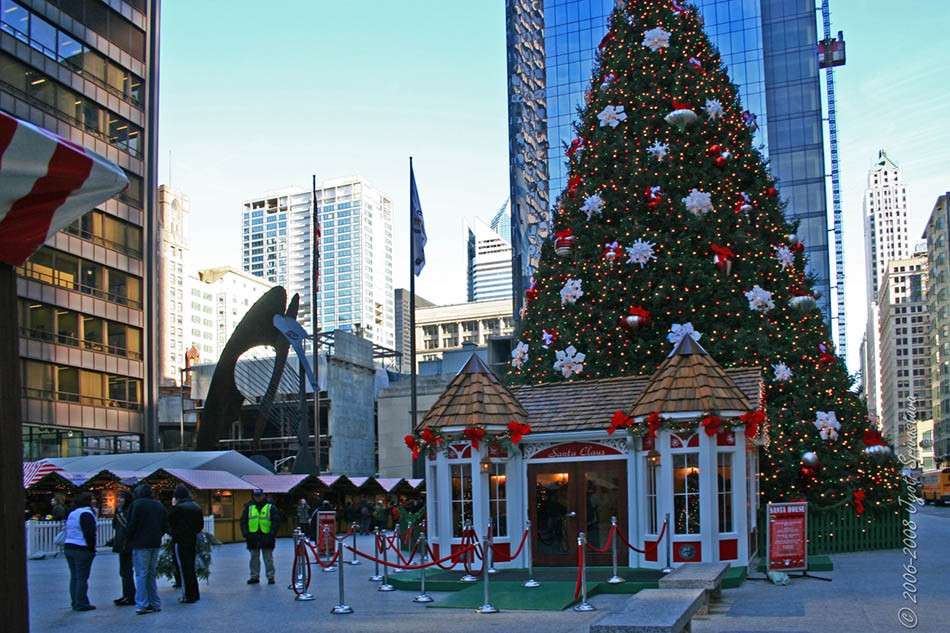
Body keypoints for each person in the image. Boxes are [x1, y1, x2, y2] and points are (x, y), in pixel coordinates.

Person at [126, 483, 168, 615]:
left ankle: (142, 604)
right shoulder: (158, 505)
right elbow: (164, 525)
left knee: (141, 573)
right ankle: (155, 602)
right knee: (151, 572)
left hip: (140, 543)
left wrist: (131, 538)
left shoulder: (137, 505)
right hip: (154, 542)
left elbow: (131, 524)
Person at [167, 485, 204, 603]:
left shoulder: (178, 508)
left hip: (180, 541)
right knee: (191, 568)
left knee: (183, 568)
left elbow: (170, 522)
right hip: (191, 540)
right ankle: (194, 593)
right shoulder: (196, 507)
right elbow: (200, 526)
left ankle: (187, 594)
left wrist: (173, 506)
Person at [63, 491, 97, 612]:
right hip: (81, 547)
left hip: (69, 546)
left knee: (74, 577)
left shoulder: (73, 513)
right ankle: (82, 602)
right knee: (82, 577)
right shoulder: (86, 513)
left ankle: (75, 601)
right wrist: (92, 548)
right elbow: (89, 533)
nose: (95, 501)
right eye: (92, 499)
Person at [240, 489, 279, 584]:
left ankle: (270, 577)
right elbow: (243, 521)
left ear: (263, 496)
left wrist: (272, 533)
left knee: (268, 558)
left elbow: (276, 521)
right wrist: (246, 534)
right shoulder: (249, 507)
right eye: (256, 496)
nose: (258, 498)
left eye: (259, 496)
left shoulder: (270, 507)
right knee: (254, 558)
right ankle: (254, 576)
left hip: (266, 535)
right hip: (253, 536)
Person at [111, 489, 136, 606]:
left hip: (127, 544)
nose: (119, 500)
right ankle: (126, 594)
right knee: (124, 571)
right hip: (122, 542)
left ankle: (130, 595)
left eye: (121, 498)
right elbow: (115, 525)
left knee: (127, 570)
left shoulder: (129, 510)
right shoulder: (119, 511)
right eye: (118, 497)